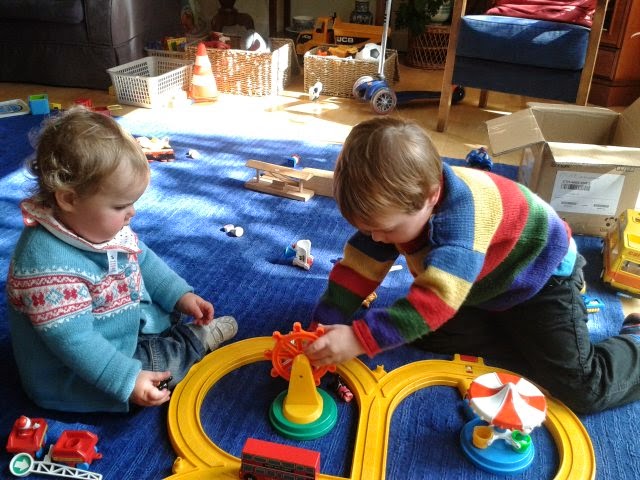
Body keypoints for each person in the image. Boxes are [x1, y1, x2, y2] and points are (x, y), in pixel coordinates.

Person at [304, 116, 640, 414]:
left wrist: (359, 339)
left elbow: (435, 300)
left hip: (542, 281)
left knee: (582, 387)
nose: (377, 238)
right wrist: (324, 322)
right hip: (486, 283)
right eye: (367, 230)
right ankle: (524, 335)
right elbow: (358, 268)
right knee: (425, 333)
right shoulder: (395, 209)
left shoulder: (460, 227)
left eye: (386, 230)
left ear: (431, 196)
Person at [6, 107, 237, 413]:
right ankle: (193, 341)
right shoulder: (44, 268)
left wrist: (179, 295)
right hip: (78, 373)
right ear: (69, 199)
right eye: (120, 206)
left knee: (163, 306)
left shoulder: (91, 222)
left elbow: (142, 258)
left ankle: (162, 332)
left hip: (115, 324)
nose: (132, 213)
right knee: (161, 370)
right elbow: (76, 342)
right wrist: (127, 380)